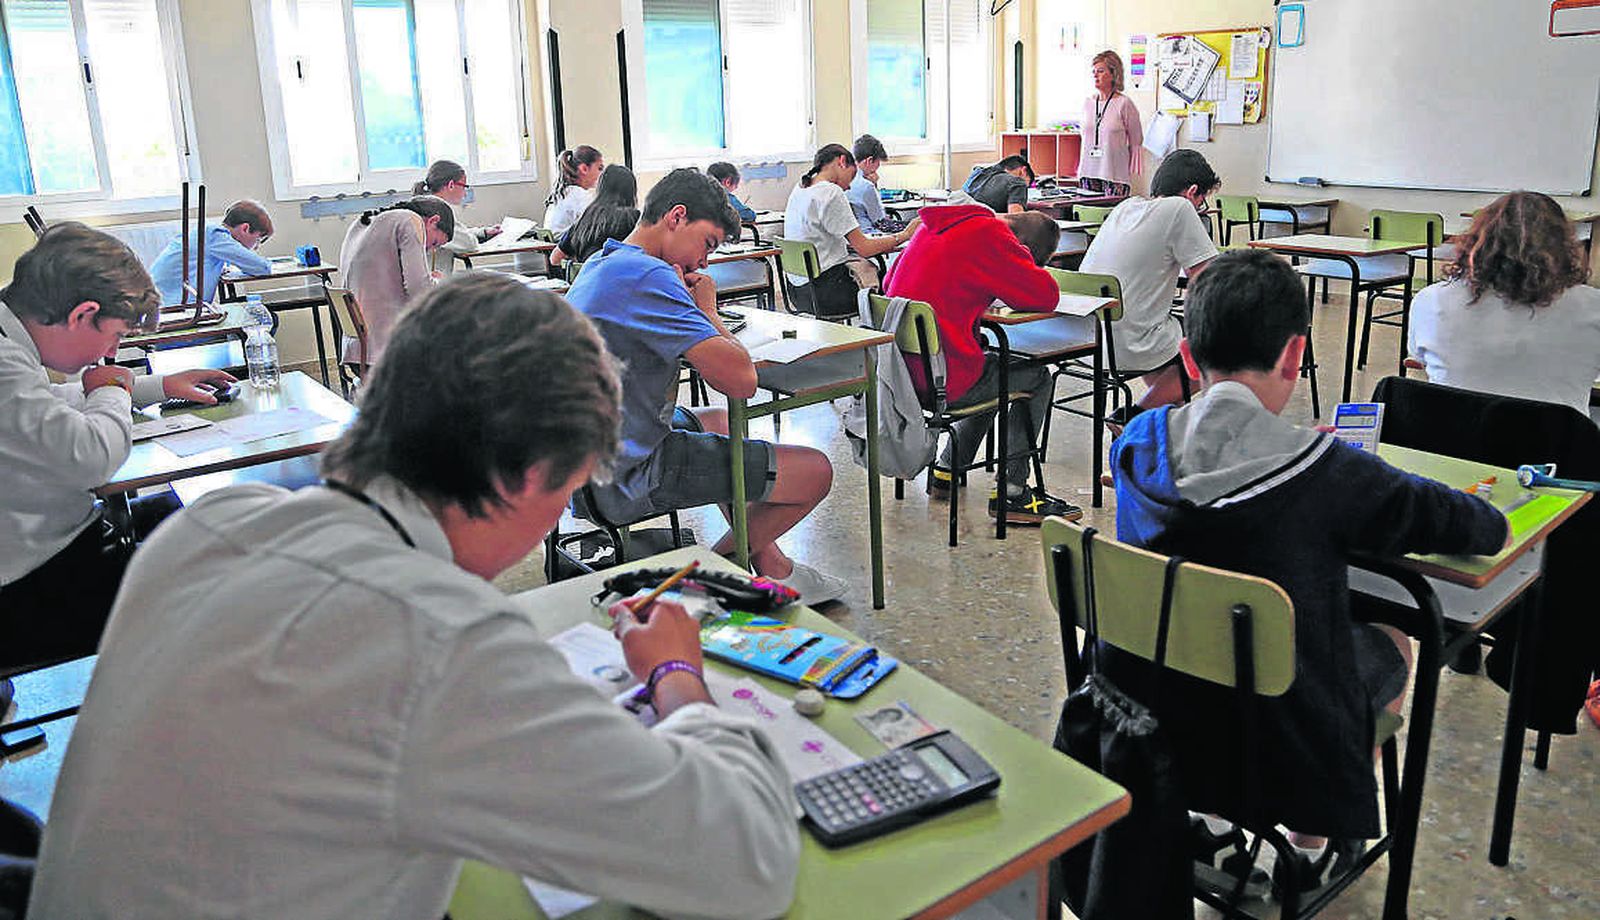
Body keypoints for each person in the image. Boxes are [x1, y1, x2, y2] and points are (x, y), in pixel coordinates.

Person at [28, 273, 802, 919]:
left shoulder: (210, 527)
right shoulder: (438, 640)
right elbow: (746, 863)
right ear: (532, 476)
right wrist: (676, 676)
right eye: (567, 492)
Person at [1110, 248, 1509, 891]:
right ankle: (1311, 838)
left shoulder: (1137, 440)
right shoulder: (1336, 473)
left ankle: (1213, 822)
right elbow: (1477, 528)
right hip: (1285, 729)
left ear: (1187, 356)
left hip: (1155, 707)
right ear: (1295, 355)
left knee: (1221, 629)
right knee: (1395, 638)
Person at [569, 168, 848, 603]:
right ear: (677, 217)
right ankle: (710, 580)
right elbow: (743, 382)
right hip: (625, 476)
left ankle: (773, 566)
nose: (703, 262)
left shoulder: (604, 261)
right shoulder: (650, 276)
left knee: (718, 421)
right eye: (708, 244)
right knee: (816, 471)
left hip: (580, 466)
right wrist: (708, 312)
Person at [0, 223, 236, 669]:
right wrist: (112, 389)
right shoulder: (4, 362)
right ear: (82, 315)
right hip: (30, 585)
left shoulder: (9, 340)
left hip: (48, 547)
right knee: (219, 564)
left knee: (196, 513)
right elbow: (91, 458)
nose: (113, 349)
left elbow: (43, 405)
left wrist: (153, 386)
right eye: (116, 336)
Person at [883, 206, 1081, 523]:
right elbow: (1045, 296)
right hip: (942, 380)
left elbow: (887, 283)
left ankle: (947, 470)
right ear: (1021, 249)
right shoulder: (991, 236)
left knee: (992, 367)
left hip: (900, 376)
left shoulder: (931, 228)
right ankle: (1013, 491)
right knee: (1037, 377)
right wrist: (1023, 263)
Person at [1409, 190, 1600, 418]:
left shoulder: (1430, 300)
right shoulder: (1593, 308)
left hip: (1454, 436)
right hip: (1558, 439)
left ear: (1480, 241)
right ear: (1564, 246)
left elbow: (1421, 363)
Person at [1080, 148, 1219, 420]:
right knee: (1223, 348)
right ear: (1192, 192)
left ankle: (1155, 423)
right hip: (1131, 344)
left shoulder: (1125, 207)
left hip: (1090, 340)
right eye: (1201, 202)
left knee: (1172, 347)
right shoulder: (1180, 207)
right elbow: (1210, 285)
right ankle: (1133, 416)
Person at [782, 144, 918, 320]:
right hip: (828, 292)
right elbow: (865, 248)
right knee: (892, 279)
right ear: (842, 161)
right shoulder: (830, 191)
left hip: (798, 291)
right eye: (852, 176)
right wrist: (905, 235)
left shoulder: (800, 188)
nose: (849, 187)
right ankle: (890, 334)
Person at [338, 195, 454, 366]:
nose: (429, 250)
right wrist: (441, 283)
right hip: (387, 354)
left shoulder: (362, 223)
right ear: (433, 220)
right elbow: (419, 290)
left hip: (356, 351)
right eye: (435, 243)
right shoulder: (410, 220)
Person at [149, 199, 274, 305]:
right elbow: (262, 268)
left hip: (157, 304)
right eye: (258, 239)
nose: (256, 247)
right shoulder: (215, 236)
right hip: (172, 309)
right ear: (245, 228)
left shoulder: (207, 233)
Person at [1077, 50, 1143, 197]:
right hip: (1088, 172)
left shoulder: (1124, 103)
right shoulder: (1088, 103)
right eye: (1094, 71)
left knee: (1113, 212)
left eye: (1100, 71)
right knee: (1087, 211)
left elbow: (1136, 141)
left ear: (1114, 74)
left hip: (1114, 175)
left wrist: (1133, 170)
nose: (1095, 75)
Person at [550, 164, 639, 268]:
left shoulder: (586, 217)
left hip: (587, 277)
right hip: (619, 276)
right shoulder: (633, 219)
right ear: (631, 192)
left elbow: (554, 259)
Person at [414, 159, 502, 252]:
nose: (465, 193)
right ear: (451, 185)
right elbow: (469, 244)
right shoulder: (437, 212)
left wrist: (483, 233)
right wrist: (478, 236)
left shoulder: (427, 204)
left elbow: (458, 234)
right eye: (464, 186)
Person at [845, 134, 904, 234]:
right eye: (878, 162)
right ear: (869, 160)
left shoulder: (846, 178)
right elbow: (881, 223)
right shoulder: (866, 186)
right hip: (870, 234)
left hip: (854, 234)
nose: (878, 167)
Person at [544, 145, 605, 235]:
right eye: (600, 168)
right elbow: (598, 226)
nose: (602, 173)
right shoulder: (580, 195)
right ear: (584, 169)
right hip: (565, 243)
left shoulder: (563, 193)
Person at [961, 155, 1034, 214]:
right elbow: (1017, 219)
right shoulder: (1018, 182)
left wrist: (1022, 202)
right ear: (1023, 171)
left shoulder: (978, 173)